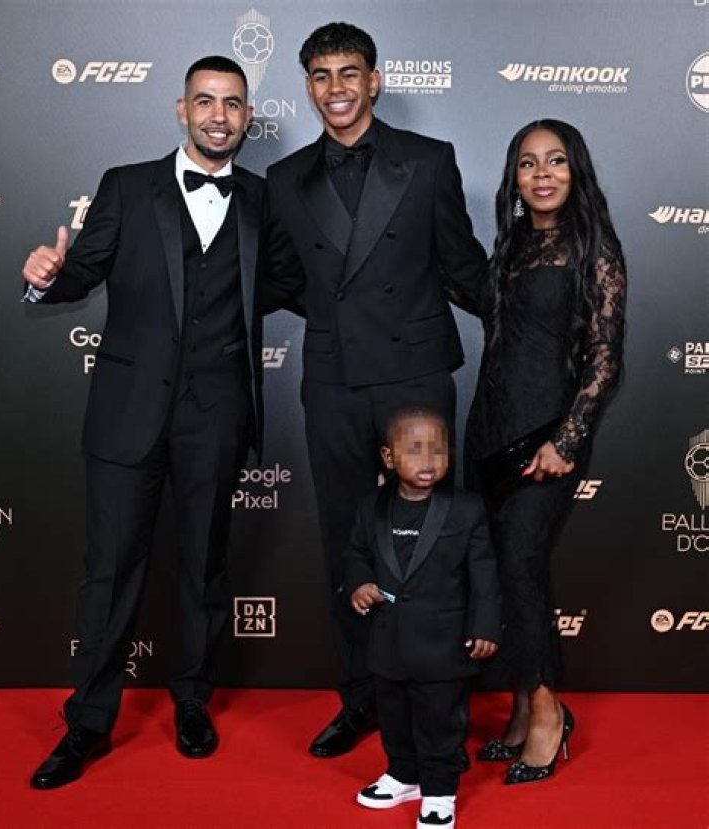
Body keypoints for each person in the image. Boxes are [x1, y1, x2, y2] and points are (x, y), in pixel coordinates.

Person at [21, 55, 295, 789]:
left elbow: (287, 282)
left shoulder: (263, 198)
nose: (217, 116)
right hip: (128, 410)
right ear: (181, 109)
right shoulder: (126, 185)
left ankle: (193, 700)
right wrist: (49, 277)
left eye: (231, 104)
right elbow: (83, 270)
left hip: (217, 412)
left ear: (247, 116)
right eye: (205, 101)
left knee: (203, 565)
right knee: (110, 570)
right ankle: (87, 722)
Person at [266, 22, 487, 758]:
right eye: (321, 75)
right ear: (307, 86)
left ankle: (438, 692)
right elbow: (281, 279)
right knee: (349, 540)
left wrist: (536, 316)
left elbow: (462, 266)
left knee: (432, 537)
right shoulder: (286, 179)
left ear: (374, 80)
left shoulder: (427, 160)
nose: (335, 88)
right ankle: (361, 693)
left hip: (414, 374)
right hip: (333, 379)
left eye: (348, 72)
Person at [452, 119, 626, 784]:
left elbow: (605, 358)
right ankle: (524, 705)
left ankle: (550, 714)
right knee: (502, 574)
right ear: (515, 179)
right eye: (528, 164)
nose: (542, 174)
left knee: (522, 567)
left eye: (555, 161)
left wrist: (568, 438)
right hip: (488, 432)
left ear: (575, 171)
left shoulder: (594, 248)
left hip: (548, 439)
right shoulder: (513, 246)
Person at [343, 406, 501, 829]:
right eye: (414, 449)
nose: (428, 460)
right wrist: (360, 584)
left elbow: (484, 573)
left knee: (440, 723)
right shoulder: (371, 507)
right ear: (388, 456)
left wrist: (485, 626)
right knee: (393, 716)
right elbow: (356, 555)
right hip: (388, 641)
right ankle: (402, 775)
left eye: (438, 449)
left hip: (444, 645)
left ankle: (439, 793)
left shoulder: (467, 508)